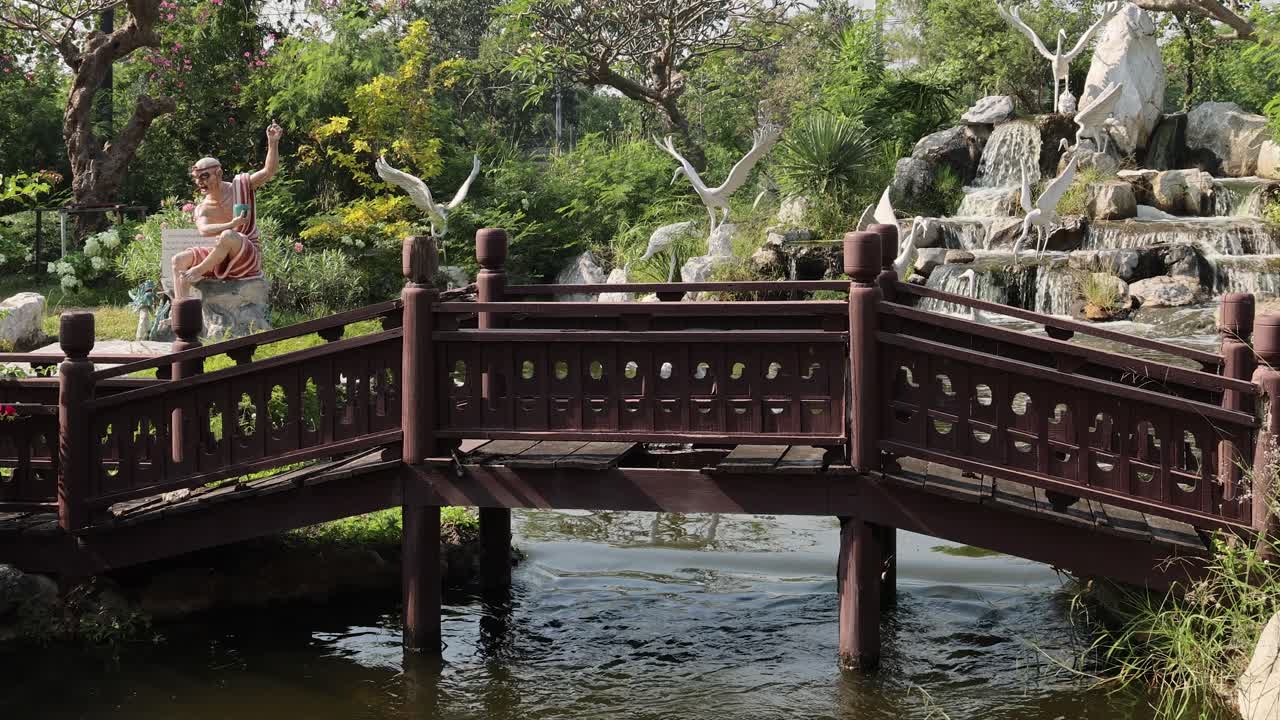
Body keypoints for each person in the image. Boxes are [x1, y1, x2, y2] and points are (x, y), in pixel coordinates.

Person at [171, 121, 283, 299]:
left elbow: (268, 171)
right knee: (178, 260)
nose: (200, 182)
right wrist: (232, 223)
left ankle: (199, 270)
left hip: (245, 255)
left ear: (219, 174)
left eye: (204, 176)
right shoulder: (203, 208)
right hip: (218, 257)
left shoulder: (240, 186)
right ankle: (182, 308)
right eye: (197, 178)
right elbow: (203, 230)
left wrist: (273, 142)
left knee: (228, 235)